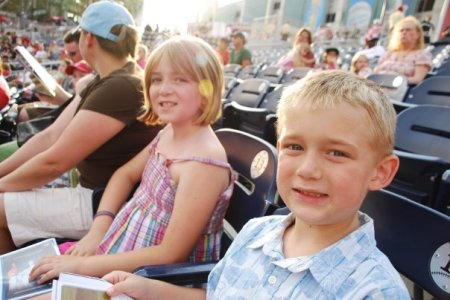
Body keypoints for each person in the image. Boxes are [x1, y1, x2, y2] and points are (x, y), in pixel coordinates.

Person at [101, 70, 410, 299]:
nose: (308, 169)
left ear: (380, 172)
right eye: (294, 147)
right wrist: (150, 289)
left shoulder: (373, 291)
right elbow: (219, 294)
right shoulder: (257, 232)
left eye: (337, 153)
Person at [27, 35, 235, 290]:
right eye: (157, 79)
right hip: (117, 246)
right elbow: (123, 175)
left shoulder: (203, 163)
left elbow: (171, 254)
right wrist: (97, 231)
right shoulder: (170, 131)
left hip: (149, 278)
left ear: (207, 89)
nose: (164, 88)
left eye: (180, 79)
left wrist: (81, 266)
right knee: (27, 276)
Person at [0, 0, 160, 254]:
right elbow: (50, 136)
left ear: (89, 39)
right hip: (94, 196)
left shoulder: (121, 86)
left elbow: (55, 162)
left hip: (101, 205)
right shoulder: (107, 80)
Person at [375, 16, 432, 84]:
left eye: (408, 30)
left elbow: (417, 79)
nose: (404, 33)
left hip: (400, 91)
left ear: (417, 34)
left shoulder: (422, 55)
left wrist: (392, 81)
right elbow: (375, 73)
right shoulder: (389, 53)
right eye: (401, 30)